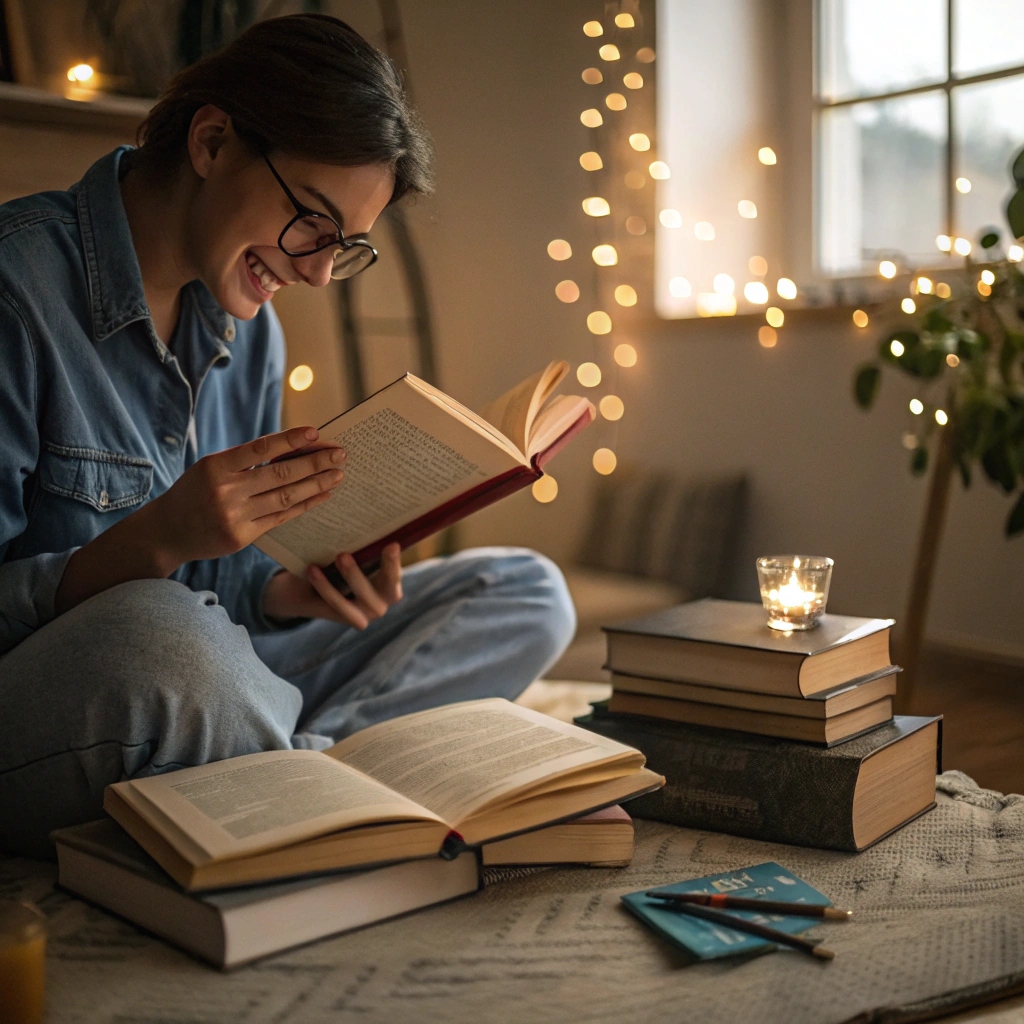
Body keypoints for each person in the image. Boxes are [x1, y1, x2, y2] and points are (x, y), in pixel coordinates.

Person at [0, 14, 575, 858]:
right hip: (86, 685)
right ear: (211, 142)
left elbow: (221, 592)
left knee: (525, 592)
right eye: (311, 218)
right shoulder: (17, 293)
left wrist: (282, 595)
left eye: (343, 247)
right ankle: (308, 774)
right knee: (166, 638)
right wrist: (156, 540)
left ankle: (307, 772)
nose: (313, 271)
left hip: (205, 671)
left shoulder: (247, 324)